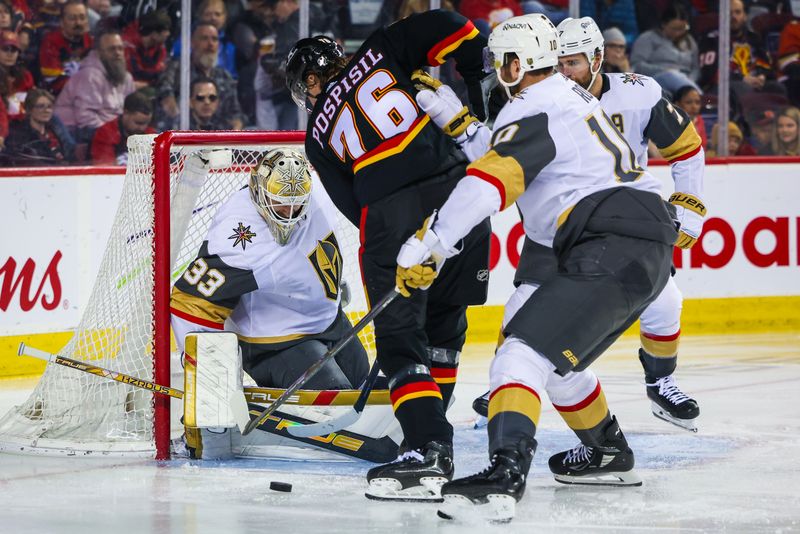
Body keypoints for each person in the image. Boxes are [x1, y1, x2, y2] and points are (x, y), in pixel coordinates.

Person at [398, 13, 678, 522]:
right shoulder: (567, 98)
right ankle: (606, 451)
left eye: (498, 62)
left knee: (519, 355)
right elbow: (515, 154)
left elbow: (492, 180)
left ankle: (504, 475)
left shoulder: (533, 103)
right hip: (635, 240)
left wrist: (432, 241)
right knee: (551, 358)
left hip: (606, 240)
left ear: (516, 62)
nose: (493, 71)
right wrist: (454, 118)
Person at [284, 9, 491, 501]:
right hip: (462, 193)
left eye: (305, 86)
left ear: (314, 78)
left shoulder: (316, 133)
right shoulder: (381, 48)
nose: (308, 96)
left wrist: (398, 235)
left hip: (392, 214)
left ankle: (426, 448)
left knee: (402, 343)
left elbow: (356, 208)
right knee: (445, 328)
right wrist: (476, 83)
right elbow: (459, 27)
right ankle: (432, 431)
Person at [170, 148, 369, 391]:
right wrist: (205, 370)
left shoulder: (316, 187)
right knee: (333, 399)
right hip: (276, 342)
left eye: (296, 204)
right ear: (259, 189)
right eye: (281, 203)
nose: (290, 213)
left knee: (365, 390)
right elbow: (189, 302)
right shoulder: (238, 237)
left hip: (330, 321)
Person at [157, 23, 245, 130]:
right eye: (204, 38)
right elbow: (165, 96)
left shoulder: (225, 76)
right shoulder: (178, 68)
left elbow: (235, 113)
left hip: (217, 137)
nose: (210, 44)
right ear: (192, 43)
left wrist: (235, 130)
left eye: (214, 39)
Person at [54, 28, 135, 144]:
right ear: (99, 53)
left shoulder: (127, 77)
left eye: (120, 48)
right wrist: (113, 135)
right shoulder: (90, 75)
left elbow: (130, 110)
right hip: (75, 130)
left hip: (110, 130)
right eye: (112, 49)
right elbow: (86, 118)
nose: (117, 53)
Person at [630, 5, 700, 96]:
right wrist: (664, 70)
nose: (678, 32)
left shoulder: (689, 41)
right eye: (674, 29)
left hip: (684, 80)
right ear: (664, 24)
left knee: (676, 84)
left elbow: (695, 68)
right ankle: (696, 96)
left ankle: (689, 93)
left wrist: (689, 79)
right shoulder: (648, 38)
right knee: (671, 75)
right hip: (656, 79)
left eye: (682, 29)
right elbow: (637, 65)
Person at [2, 88, 74, 165]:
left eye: (49, 106)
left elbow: (69, 156)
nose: (47, 110)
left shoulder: (55, 132)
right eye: (41, 106)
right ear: (29, 109)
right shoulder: (18, 135)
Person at [38, 0, 93, 96]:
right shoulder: (50, 42)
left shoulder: (92, 42)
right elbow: (53, 82)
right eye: (72, 18)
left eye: (82, 17)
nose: (78, 23)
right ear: (62, 22)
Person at [90, 90, 155, 165]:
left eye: (147, 123)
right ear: (126, 113)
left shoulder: (151, 134)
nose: (142, 128)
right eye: (138, 123)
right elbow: (105, 167)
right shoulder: (105, 133)